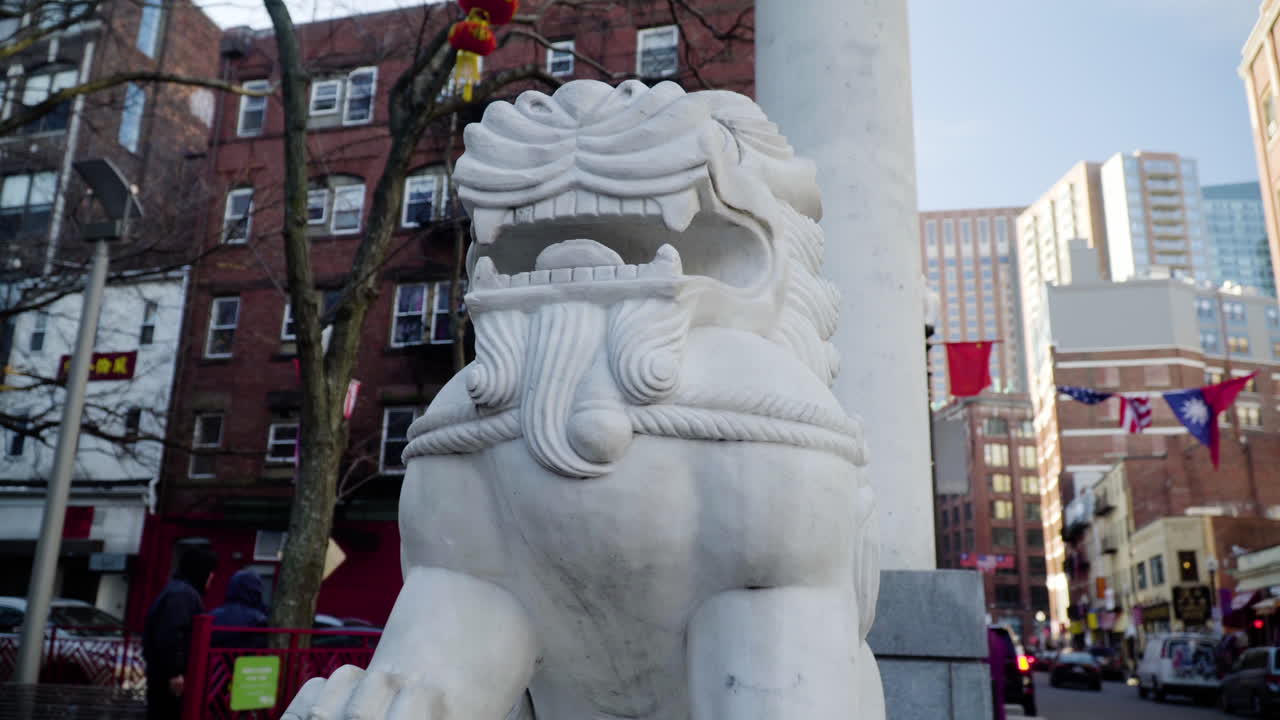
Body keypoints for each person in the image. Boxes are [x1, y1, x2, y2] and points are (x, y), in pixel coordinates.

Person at [142, 545, 217, 720]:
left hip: (164, 675)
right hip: (171, 680)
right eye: (210, 571)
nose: (213, 577)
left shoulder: (177, 590)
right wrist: (175, 672)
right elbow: (172, 633)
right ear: (201, 571)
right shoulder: (183, 595)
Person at [210, 569, 269, 649]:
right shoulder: (259, 620)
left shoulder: (212, 615)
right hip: (245, 660)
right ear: (256, 591)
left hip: (212, 660)